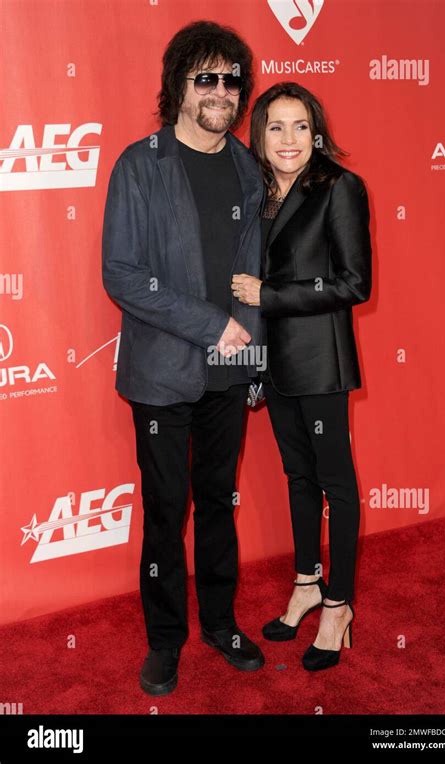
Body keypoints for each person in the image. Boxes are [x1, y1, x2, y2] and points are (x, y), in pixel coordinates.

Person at [102, 20, 266, 696]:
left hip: (230, 375)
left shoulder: (248, 167)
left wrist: (249, 353)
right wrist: (213, 327)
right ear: (179, 86)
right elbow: (123, 273)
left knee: (220, 504)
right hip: (162, 375)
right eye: (207, 78)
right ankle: (165, 641)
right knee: (167, 512)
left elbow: (254, 271)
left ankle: (221, 624)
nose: (221, 91)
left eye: (231, 80)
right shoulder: (140, 163)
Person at [232, 82, 372, 672]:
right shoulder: (258, 194)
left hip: (321, 361)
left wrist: (271, 295)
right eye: (275, 127)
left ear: (316, 132)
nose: (289, 140)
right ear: (259, 136)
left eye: (299, 126)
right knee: (297, 477)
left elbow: (352, 283)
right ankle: (306, 583)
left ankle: (338, 605)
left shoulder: (339, 187)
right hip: (277, 363)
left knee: (335, 484)